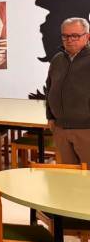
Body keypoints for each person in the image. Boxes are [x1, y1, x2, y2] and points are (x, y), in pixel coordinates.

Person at [46, 17, 90, 164]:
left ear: (87, 36)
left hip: (86, 130)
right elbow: (50, 88)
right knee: (67, 177)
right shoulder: (57, 59)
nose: (69, 40)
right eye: (65, 36)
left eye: (75, 36)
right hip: (60, 129)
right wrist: (50, 117)